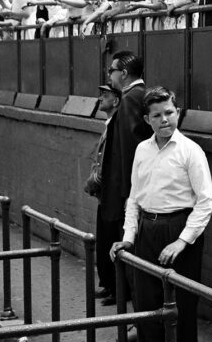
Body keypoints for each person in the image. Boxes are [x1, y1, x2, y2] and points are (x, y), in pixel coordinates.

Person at [111, 87, 212, 342]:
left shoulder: (191, 151)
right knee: (146, 302)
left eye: (169, 112)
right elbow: (134, 197)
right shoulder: (142, 151)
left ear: (178, 112)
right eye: (156, 115)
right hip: (147, 228)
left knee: (182, 305)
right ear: (147, 120)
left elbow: (206, 202)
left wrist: (182, 241)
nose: (164, 119)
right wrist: (129, 236)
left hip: (180, 229)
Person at [98, 51, 148, 306]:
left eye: (111, 70)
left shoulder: (130, 99)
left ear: (124, 73)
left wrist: (129, 192)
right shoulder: (137, 96)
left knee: (126, 245)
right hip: (127, 187)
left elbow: (129, 149)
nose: (109, 74)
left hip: (125, 188)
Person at [88, 81, 121, 303]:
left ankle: (117, 289)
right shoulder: (110, 124)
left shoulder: (116, 126)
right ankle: (110, 285)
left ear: (116, 100)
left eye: (105, 95)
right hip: (104, 194)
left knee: (112, 239)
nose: (101, 98)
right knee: (104, 240)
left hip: (111, 194)